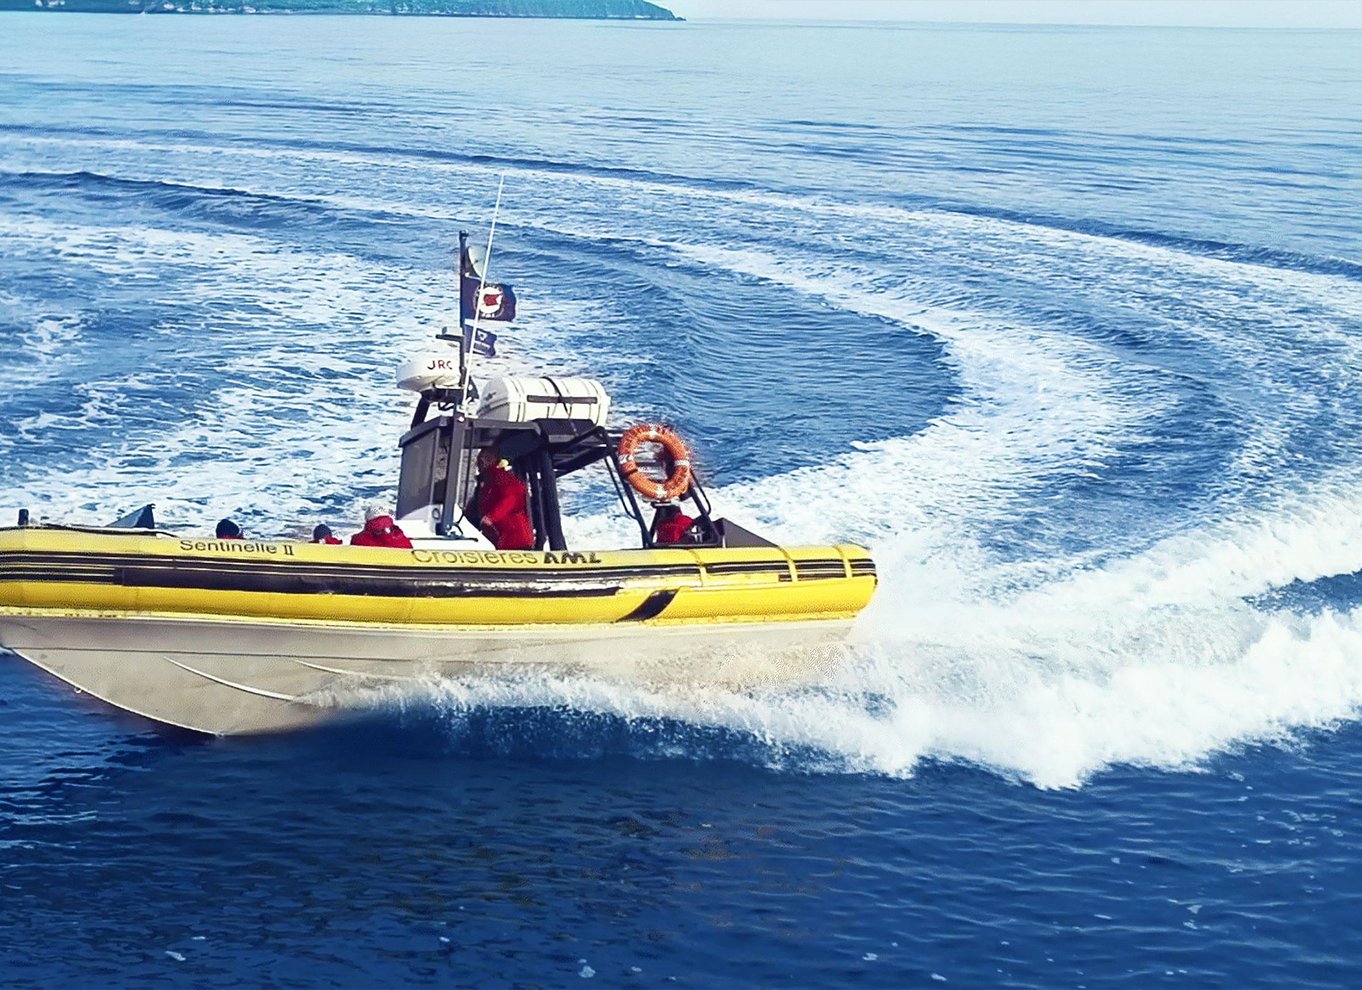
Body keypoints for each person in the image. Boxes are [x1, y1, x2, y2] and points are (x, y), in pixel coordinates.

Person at [471, 447, 534, 551]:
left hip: (513, 539)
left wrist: (491, 517)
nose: (478, 464)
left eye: (481, 459)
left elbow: (511, 498)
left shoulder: (500, 477)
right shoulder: (487, 481)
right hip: (498, 538)